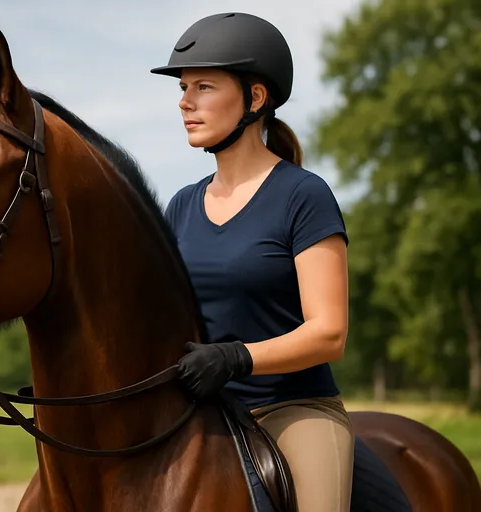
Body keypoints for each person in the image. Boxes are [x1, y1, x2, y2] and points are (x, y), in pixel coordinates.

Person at [151, 13, 354, 512]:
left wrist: (236, 357)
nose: (185, 101)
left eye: (203, 86)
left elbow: (329, 333)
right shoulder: (181, 205)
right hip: (200, 408)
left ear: (255, 98)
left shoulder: (304, 196)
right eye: (183, 87)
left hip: (293, 410)